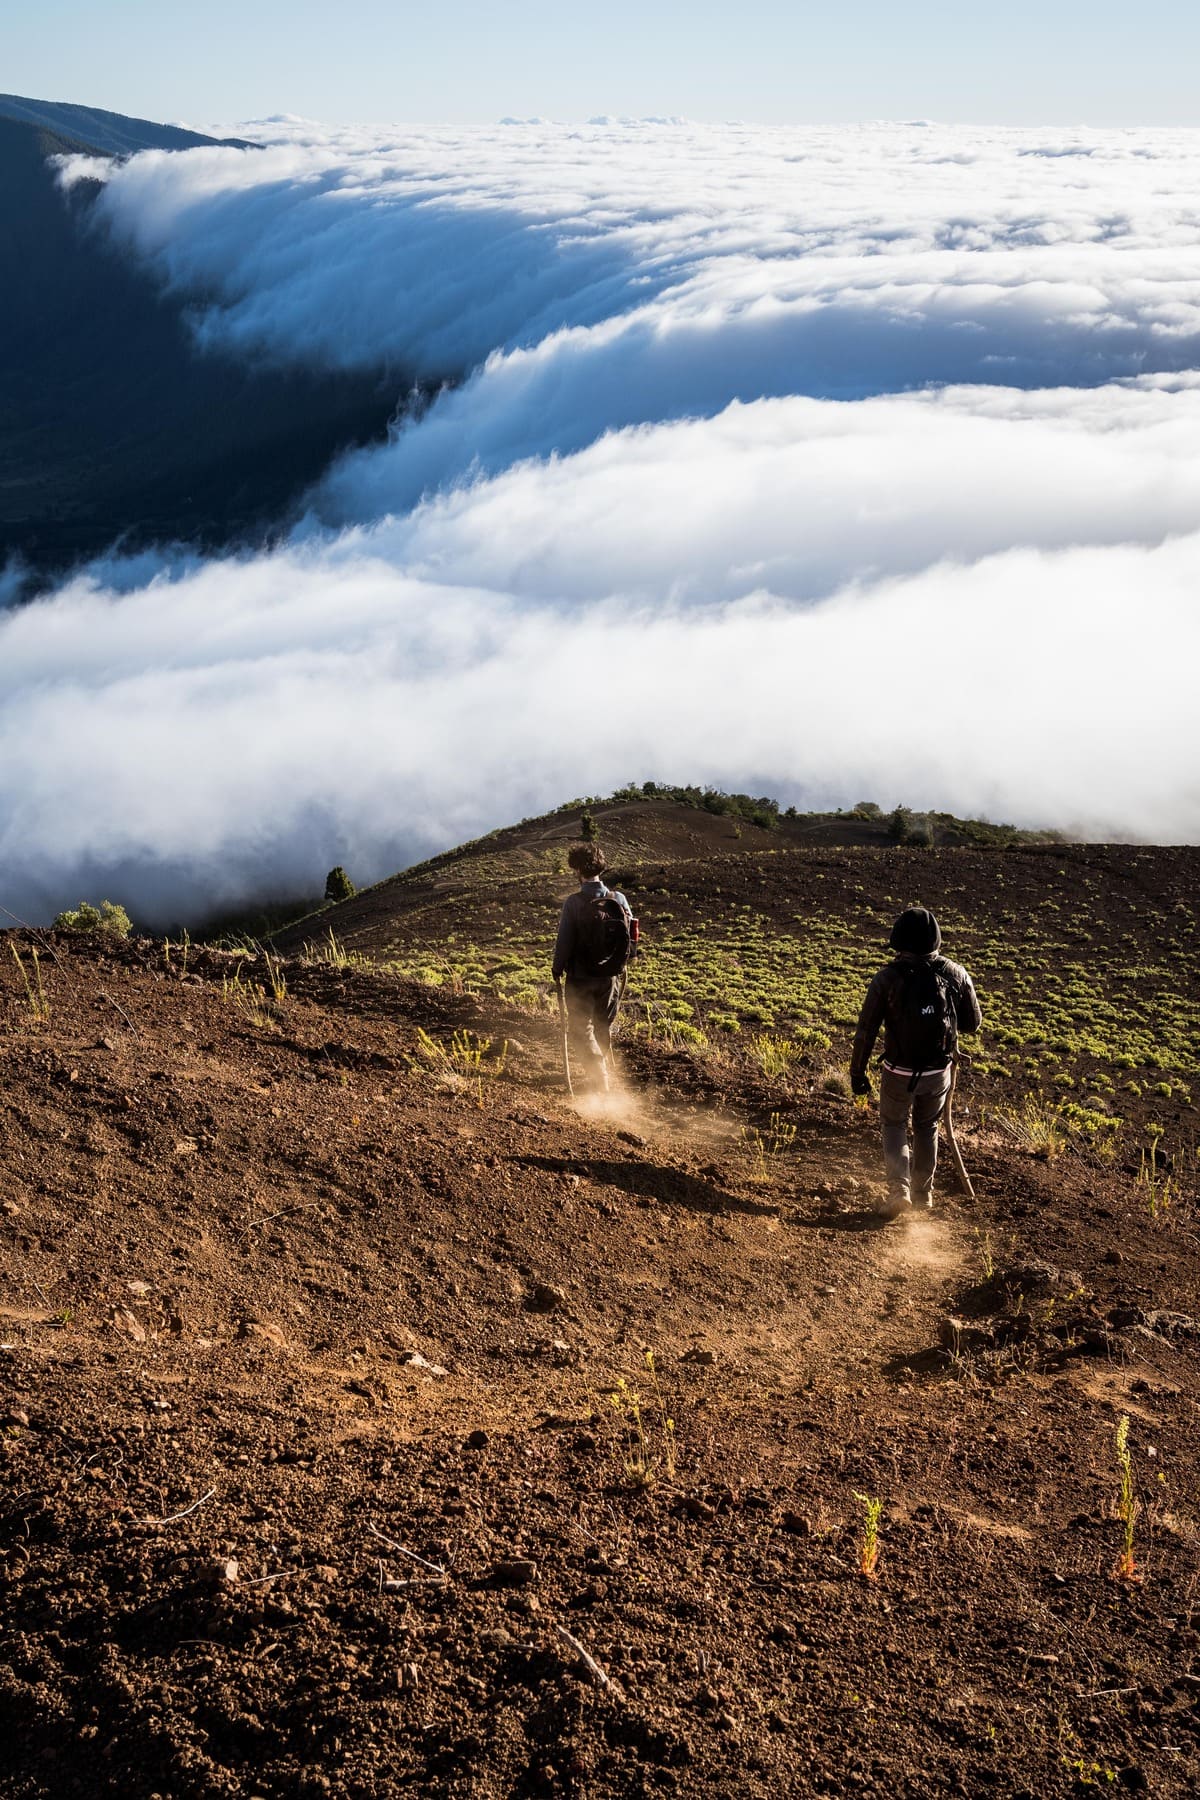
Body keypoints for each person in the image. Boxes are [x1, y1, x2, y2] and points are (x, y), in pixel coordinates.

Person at [849, 906, 981, 1218]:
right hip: (939, 1071)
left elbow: (865, 1031)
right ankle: (924, 1195)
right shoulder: (955, 973)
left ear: (899, 942)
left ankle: (899, 1191)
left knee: (894, 1124)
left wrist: (857, 1072)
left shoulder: (886, 979)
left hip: (898, 1070)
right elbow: (973, 1023)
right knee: (927, 1126)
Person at [551, 843, 634, 1093]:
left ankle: (600, 1077)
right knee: (602, 1024)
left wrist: (557, 968)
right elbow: (632, 937)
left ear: (577, 871)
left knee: (580, 1029)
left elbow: (564, 941)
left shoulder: (574, 903)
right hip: (610, 977)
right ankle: (605, 1069)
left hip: (580, 977)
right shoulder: (618, 899)